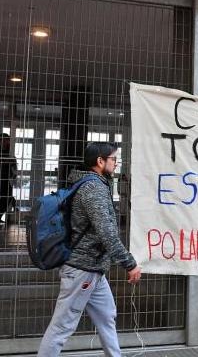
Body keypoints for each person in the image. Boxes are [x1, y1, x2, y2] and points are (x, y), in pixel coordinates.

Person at [38, 142, 142, 357]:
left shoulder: (95, 184)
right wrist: (129, 263)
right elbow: (107, 233)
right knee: (62, 326)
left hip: (93, 268)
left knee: (106, 316)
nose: (116, 162)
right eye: (113, 159)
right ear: (100, 161)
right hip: (82, 269)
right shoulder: (93, 188)